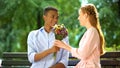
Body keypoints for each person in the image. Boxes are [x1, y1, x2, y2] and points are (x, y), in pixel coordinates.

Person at [54, 4, 105, 68]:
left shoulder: (92, 31)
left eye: (80, 15)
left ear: (86, 15)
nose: (78, 18)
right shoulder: (90, 31)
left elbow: (83, 54)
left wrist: (65, 46)